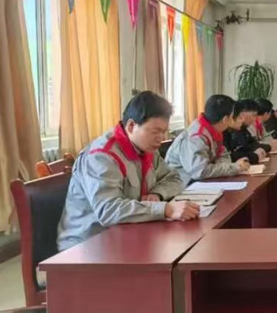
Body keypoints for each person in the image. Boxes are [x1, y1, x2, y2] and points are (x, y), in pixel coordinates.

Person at [57, 91, 199, 252]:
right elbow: (108, 210)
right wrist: (166, 209)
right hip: (87, 246)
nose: (160, 138)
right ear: (131, 126)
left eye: (163, 132)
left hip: (127, 233)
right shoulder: (101, 156)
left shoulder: (146, 149)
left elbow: (174, 178)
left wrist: (158, 194)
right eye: (155, 132)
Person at [165, 95, 251, 186]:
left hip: (201, 182)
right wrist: (235, 167)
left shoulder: (215, 131)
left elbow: (223, 156)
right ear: (225, 119)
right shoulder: (196, 136)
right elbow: (200, 171)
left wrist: (227, 168)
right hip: (182, 185)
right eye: (232, 116)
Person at [224, 99, 270, 164]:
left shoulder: (243, 128)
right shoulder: (225, 133)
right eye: (240, 117)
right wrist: (254, 156)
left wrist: (267, 147)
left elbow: (251, 144)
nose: (242, 119)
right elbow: (231, 157)